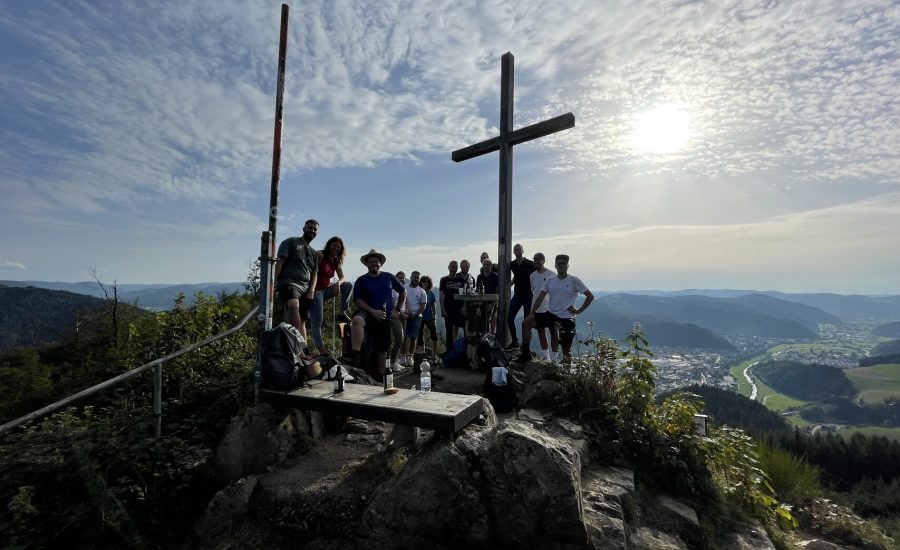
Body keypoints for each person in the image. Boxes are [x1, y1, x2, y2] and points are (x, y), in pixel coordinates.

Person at [519, 254, 594, 362]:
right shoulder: (550, 280)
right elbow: (539, 298)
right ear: (555, 266)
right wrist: (531, 314)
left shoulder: (574, 280)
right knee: (526, 323)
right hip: (551, 314)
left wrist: (579, 310)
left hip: (567, 318)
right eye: (559, 264)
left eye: (564, 264)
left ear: (568, 265)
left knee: (566, 350)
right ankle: (526, 353)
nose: (562, 266)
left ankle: (562, 368)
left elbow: (590, 296)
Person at [349, 249, 406, 380]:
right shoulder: (361, 280)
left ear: (380, 263)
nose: (374, 263)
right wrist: (372, 311)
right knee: (357, 320)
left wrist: (397, 309)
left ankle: (381, 374)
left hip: (384, 315)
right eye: (371, 262)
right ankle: (355, 357)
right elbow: (358, 300)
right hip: (366, 312)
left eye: (376, 261)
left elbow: (403, 292)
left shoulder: (389, 277)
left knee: (383, 344)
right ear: (367, 264)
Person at [275, 219, 319, 342]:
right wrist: (273, 282)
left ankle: (302, 350)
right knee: (294, 305)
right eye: (310, 228)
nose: (312, 231)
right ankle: (296, 342)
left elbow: (314, 274)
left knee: (302, 320)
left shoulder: (314, 253)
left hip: (305, 288)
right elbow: (280, 262)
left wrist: (311, 291)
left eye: (315, 229)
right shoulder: (291, 242)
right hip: (289, 282)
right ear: (304, 228)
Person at [309, 236, 353, 356]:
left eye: (338, 247)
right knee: (317, 320)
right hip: (315, 290)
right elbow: (311, 271)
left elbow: (342, 277)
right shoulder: (320, 255)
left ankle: (342, 312)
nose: (336, 248)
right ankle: (321, 349)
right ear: (329, 245)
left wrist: (338, 284)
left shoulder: (336, 260)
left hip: (326, 290)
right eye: (334, 245)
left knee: (348, 285)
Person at [520, 252, 557, 361]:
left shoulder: (551, 274)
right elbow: (534, 291)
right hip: (537, 309)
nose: (536, 262)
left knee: (554, 333)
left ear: (543, 261)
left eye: (538, 260)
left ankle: (555, 357)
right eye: (535, 260)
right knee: (541, 332)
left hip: (550, 309)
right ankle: (546, 356)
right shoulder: (532, 276)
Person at [507, 243, 536, 348]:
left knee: (526, 322)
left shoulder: (530, 263)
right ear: (513, 252)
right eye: (515, 250)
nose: (517, 251)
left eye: (519, 249)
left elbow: (537, 274)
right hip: (517, 295)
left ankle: (526, 347)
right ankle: (515, 341)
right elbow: (516, 276)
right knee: (510, 318)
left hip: (528, 295)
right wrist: (510, 284)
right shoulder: (512, 264)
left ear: (523, 251)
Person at [438, 261, 466, 354]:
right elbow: (441, 295)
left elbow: (464, 295)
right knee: (449, 331)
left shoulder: (461, 280)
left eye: (455, 267)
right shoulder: (444, 280)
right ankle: (449, 352)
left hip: (459, 309)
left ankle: (465, 351)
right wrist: (442, 309)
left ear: (457, 269)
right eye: (452, 267)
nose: (453, 269)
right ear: (448, 267)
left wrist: (463, 307)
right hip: (448, 309)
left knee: (465, 329)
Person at [401, 271, 427, 367]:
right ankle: (403, 357)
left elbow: (423, 305)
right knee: (404, 337)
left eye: (417, 278)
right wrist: (405, 312)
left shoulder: (422, 291)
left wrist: (416, 314)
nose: (416, 279)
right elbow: (401, 300)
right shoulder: (404, 288)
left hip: (416, 317)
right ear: (411, 277)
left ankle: (410, 357)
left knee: (413, 338)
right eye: (414, 277)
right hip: (404, 316)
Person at [416, 275, 439, 359]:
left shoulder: (431, 294)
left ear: (429, 284)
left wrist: (434, 318)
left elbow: (433, 306)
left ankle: (434, 355)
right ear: (420, 282)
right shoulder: (418, 292)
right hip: (420, 317)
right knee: (420, 337)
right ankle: (423, 355)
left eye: (427, 282)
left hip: (430, 317)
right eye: (423, 281)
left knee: (434, 336)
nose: (425, 283)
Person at [390, 271, 407, 372]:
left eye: (403, 278)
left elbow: (406, 302)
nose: (402, 279)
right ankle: (391, 363)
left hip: (404, 316)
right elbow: (392, 304)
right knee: (398, 339)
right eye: (400, 277)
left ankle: (394, 362)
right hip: (396, 316)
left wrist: (407, 313)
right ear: (396, 278)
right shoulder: (393, 290)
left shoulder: (403, 289)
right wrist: (400, 313)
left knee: (401, 340)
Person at [476, 257, 500, 332]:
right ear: (482, 266)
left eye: (488, 265)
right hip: (481, 302)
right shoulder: (479, 277)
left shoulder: (495, 276)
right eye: (485, 265)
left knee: (486, 320)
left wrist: (493, 304)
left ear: (491, 266)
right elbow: (477, 290)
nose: (486, 266)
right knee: (477, 318)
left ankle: (487, 337)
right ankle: (480, 336)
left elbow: (497, 291)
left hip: (491, 303)